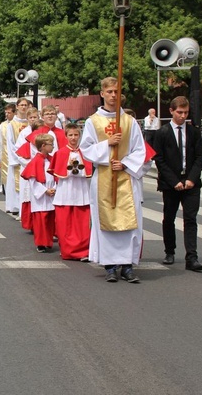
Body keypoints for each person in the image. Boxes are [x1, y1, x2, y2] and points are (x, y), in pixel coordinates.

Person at [80, 77, 146, 283]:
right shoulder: (93, 121)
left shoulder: (129, 121)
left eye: (116, 91)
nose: (113, 95)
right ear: (102, 93)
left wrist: (125, 163)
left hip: (126, 177)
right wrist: (107, 144)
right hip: (103, 178)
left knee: (129, 222)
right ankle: (109, 266)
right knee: (105, 222)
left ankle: (127, 266)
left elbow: (140, 150)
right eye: (109, 91)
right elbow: (86, 149)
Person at [153, 96, 202, 272]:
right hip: (171, 183)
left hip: (191, 182)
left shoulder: (194, 132)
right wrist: (173, 181)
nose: (183, 116)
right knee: (169, 218)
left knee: (191, 219)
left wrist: (191, 178)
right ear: (171, 111)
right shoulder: (162, 133)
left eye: (186, 113)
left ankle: (192, 257)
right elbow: (159, 159)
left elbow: (199, 158)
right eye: (179, 112)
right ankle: (170, 251)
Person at [50, 123, 92, 261]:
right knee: (65, 223)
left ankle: (83, 251)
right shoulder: (60, 153)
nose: (73, 138)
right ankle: (67, 250)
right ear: (66, 136)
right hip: (65, 191)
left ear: (79, 136)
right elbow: (56, 172)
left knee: (82, 223)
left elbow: (89, 170)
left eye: (76, 135)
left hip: (81, 190)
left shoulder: (85, 152)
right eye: (70, 135)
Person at [21, 134, 56, 252]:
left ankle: (48, 241)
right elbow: (32, 180)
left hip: (52, 192)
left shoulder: (52, 159)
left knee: (50, 219)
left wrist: (54, 188)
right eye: (51, 144)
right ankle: (41, 243)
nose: (53, 146)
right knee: (41, 220)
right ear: (43, 146)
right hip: (41, 195)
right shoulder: (35, 161)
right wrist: (45, 190)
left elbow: (57, 175)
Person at [5, 99, 30, 218]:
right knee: (17, 184)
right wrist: (18, 158)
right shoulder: (12, 124)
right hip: (18, 159)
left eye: (26, 105)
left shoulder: (31, 122)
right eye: (22, 105)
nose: (24, 107)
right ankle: (17, 207)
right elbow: (10, 143)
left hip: (30, 159)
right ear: (17, 107)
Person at [0, 104, 14, 191]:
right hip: (6, 155)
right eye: (6, 113)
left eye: (9, 112)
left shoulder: (19, 124)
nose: (6, 115)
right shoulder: (3, 125)